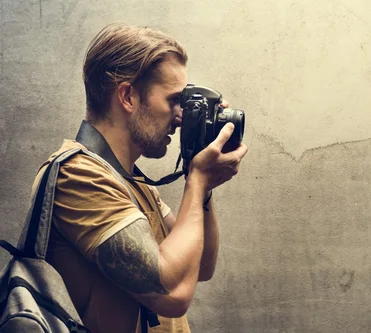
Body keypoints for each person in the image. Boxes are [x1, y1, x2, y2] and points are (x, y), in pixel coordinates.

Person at [31, 22, 248, 332]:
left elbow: (201, 266)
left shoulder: (129, 181)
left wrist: (202, 182)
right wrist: (197, 180)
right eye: (174, 100)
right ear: (128, 97)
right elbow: (172, 293)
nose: (180, 117)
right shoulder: (79, 177)